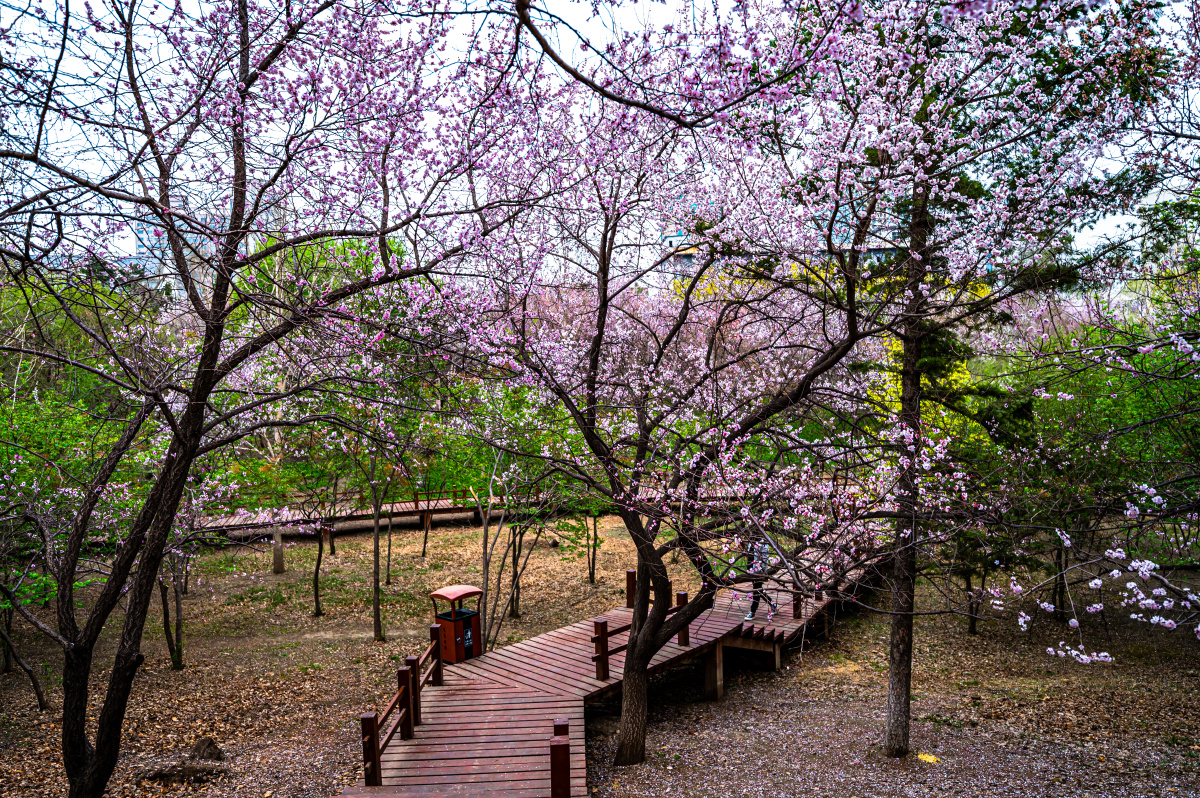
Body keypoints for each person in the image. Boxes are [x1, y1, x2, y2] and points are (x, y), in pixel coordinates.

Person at [744, 535, 778, 621]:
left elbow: (764, 560)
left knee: (756, 590)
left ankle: (753, 611)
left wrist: (764, 573)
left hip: (759, 571)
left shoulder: (763, 543)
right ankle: (772, 604)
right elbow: (749, 557)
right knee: (758, 590)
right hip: (751, 570)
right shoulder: (751, 540)